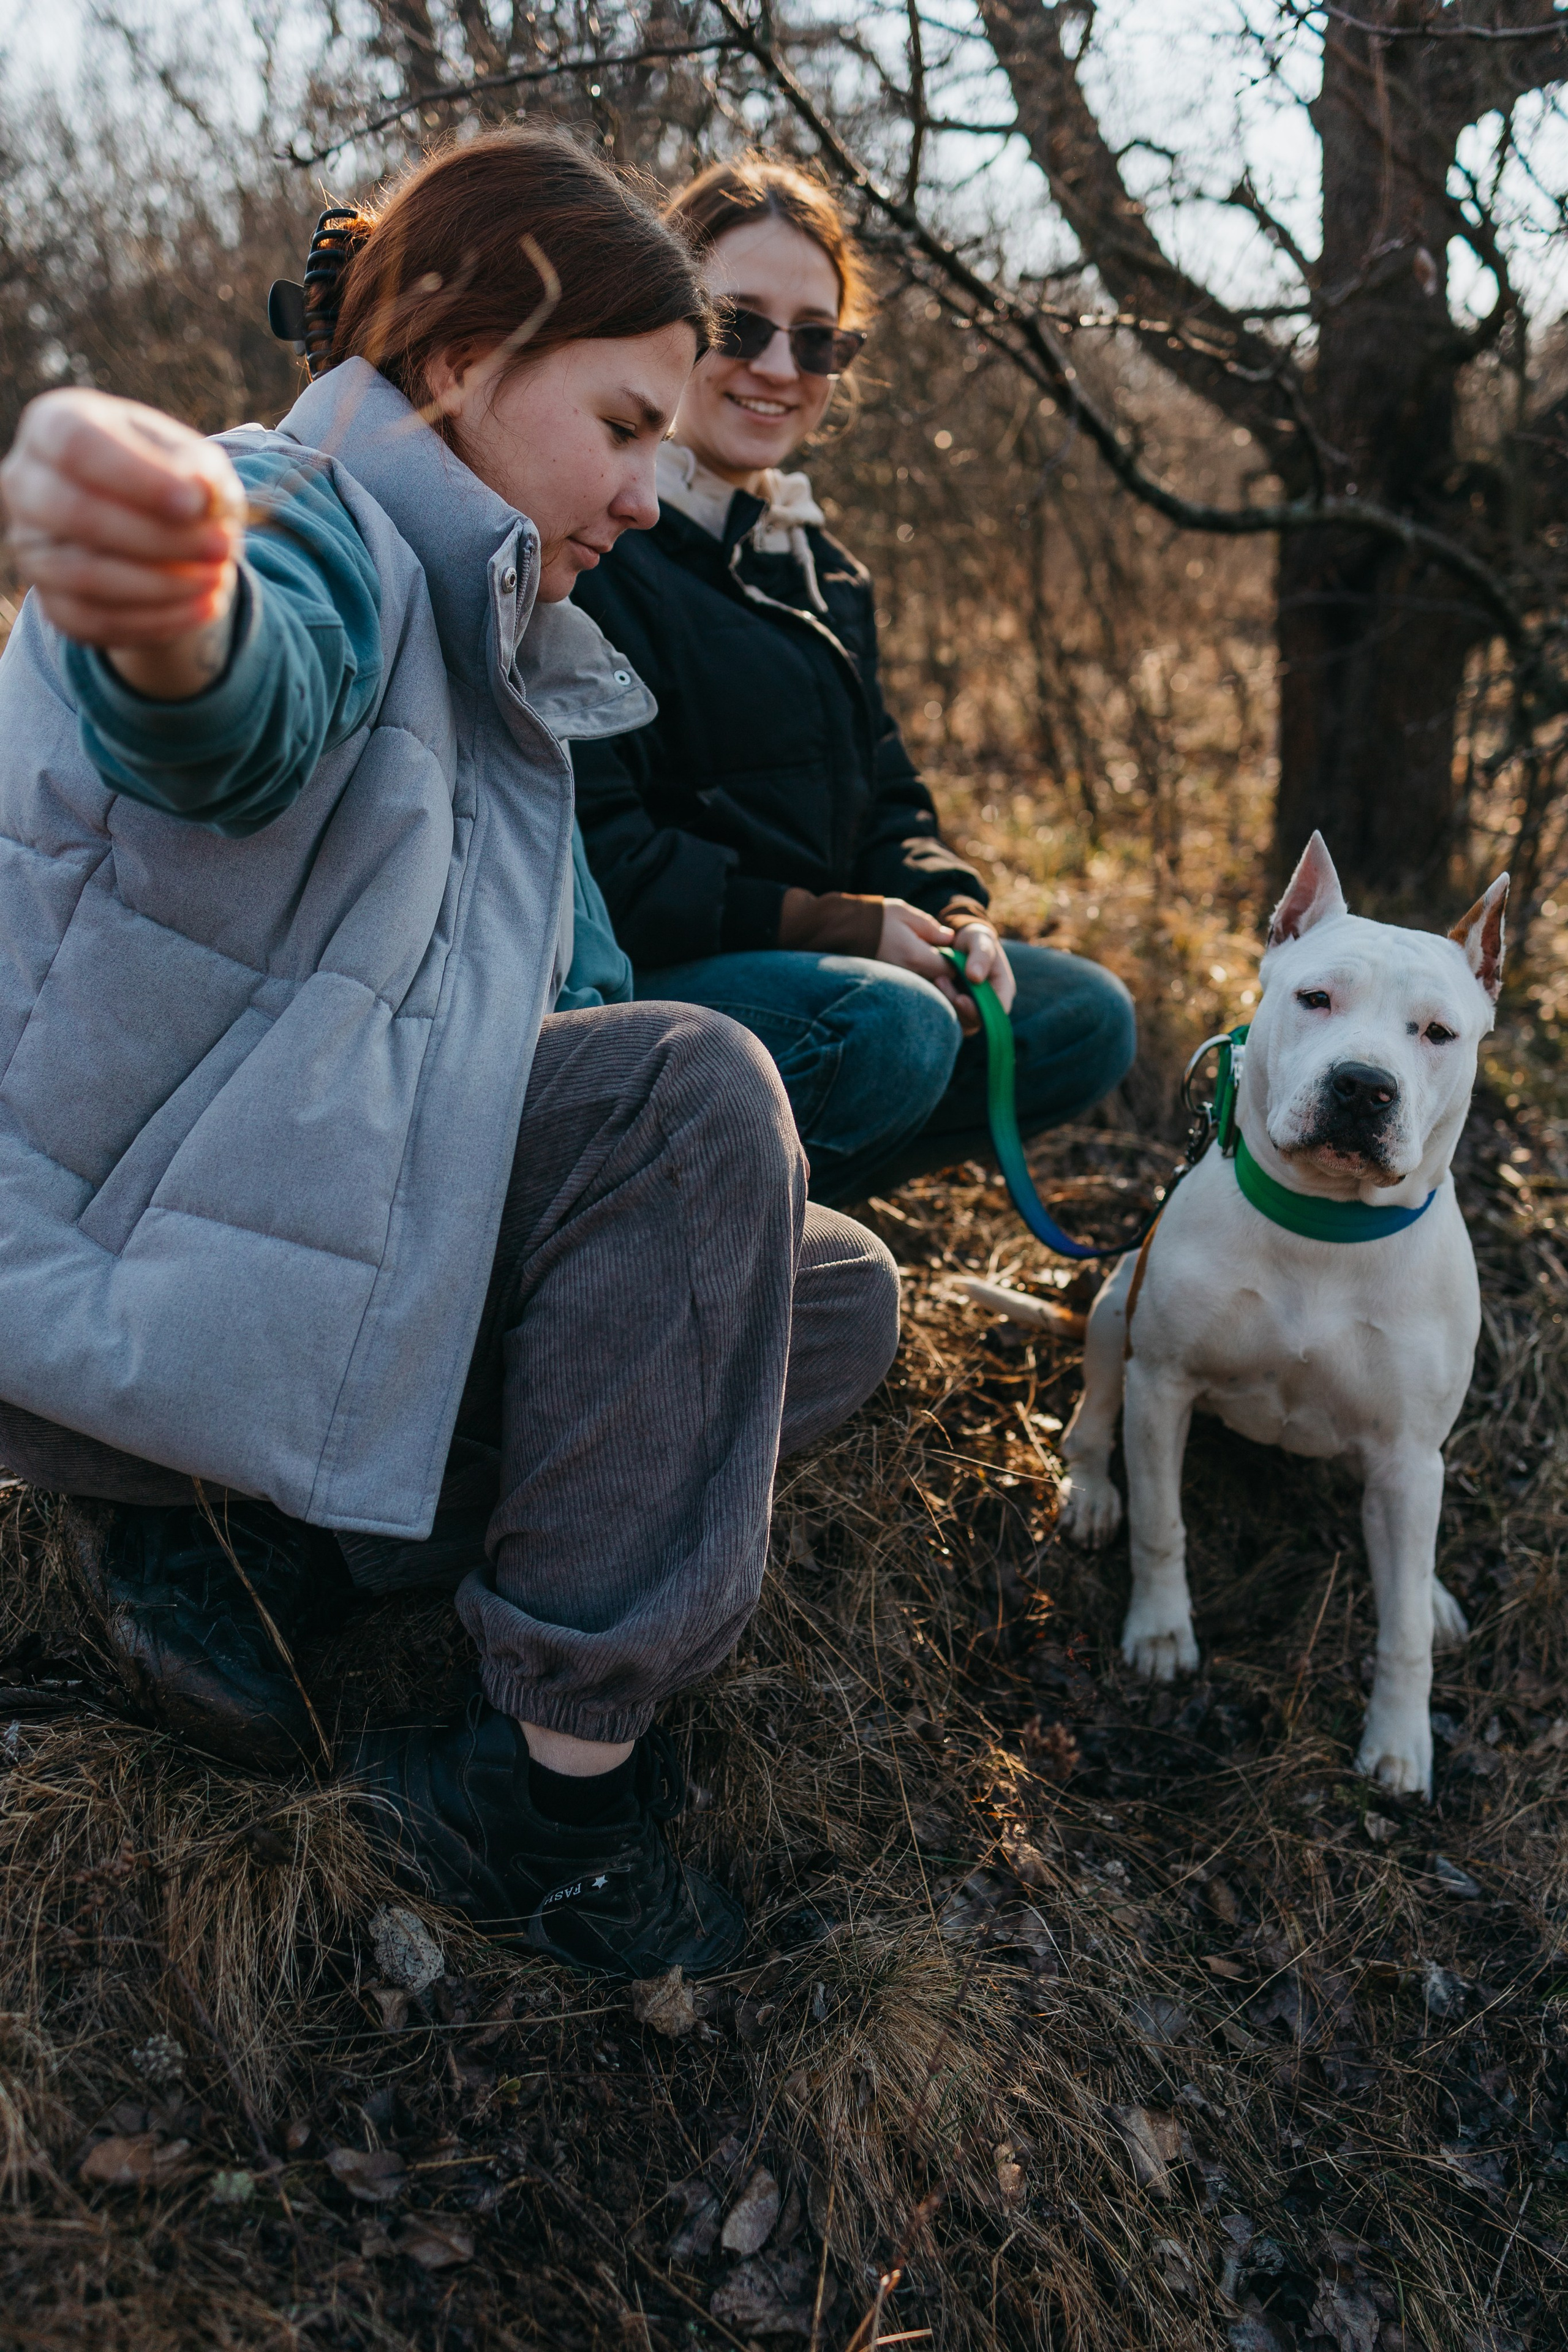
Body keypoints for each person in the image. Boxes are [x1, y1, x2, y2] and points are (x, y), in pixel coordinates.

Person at [0, 129, 899, 1980]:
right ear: (473, 364)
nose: (652, 493)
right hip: (136, 1266)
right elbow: (240, 706)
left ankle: (286, 1552)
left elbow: (540, 1020)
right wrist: (174, 624)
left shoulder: (505, 625)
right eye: (627, 423)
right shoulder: (311, 520)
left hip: (292, 1237)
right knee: (695, 1090)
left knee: (830, 1294)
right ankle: (548, 1800)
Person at [571, 158, 1136, 1206]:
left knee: (1081, 1016)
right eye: (740, 324)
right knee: (892, 1023)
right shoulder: (603, 539)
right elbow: (609, 868)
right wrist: (837, 927)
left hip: (831, 973)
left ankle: (790, 1200)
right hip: (666, 988)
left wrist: (950, 912)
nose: (779, 366)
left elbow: (887, 796)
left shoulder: (823, 569)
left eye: (818, 337)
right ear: (669, 322)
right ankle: (658, 1220)